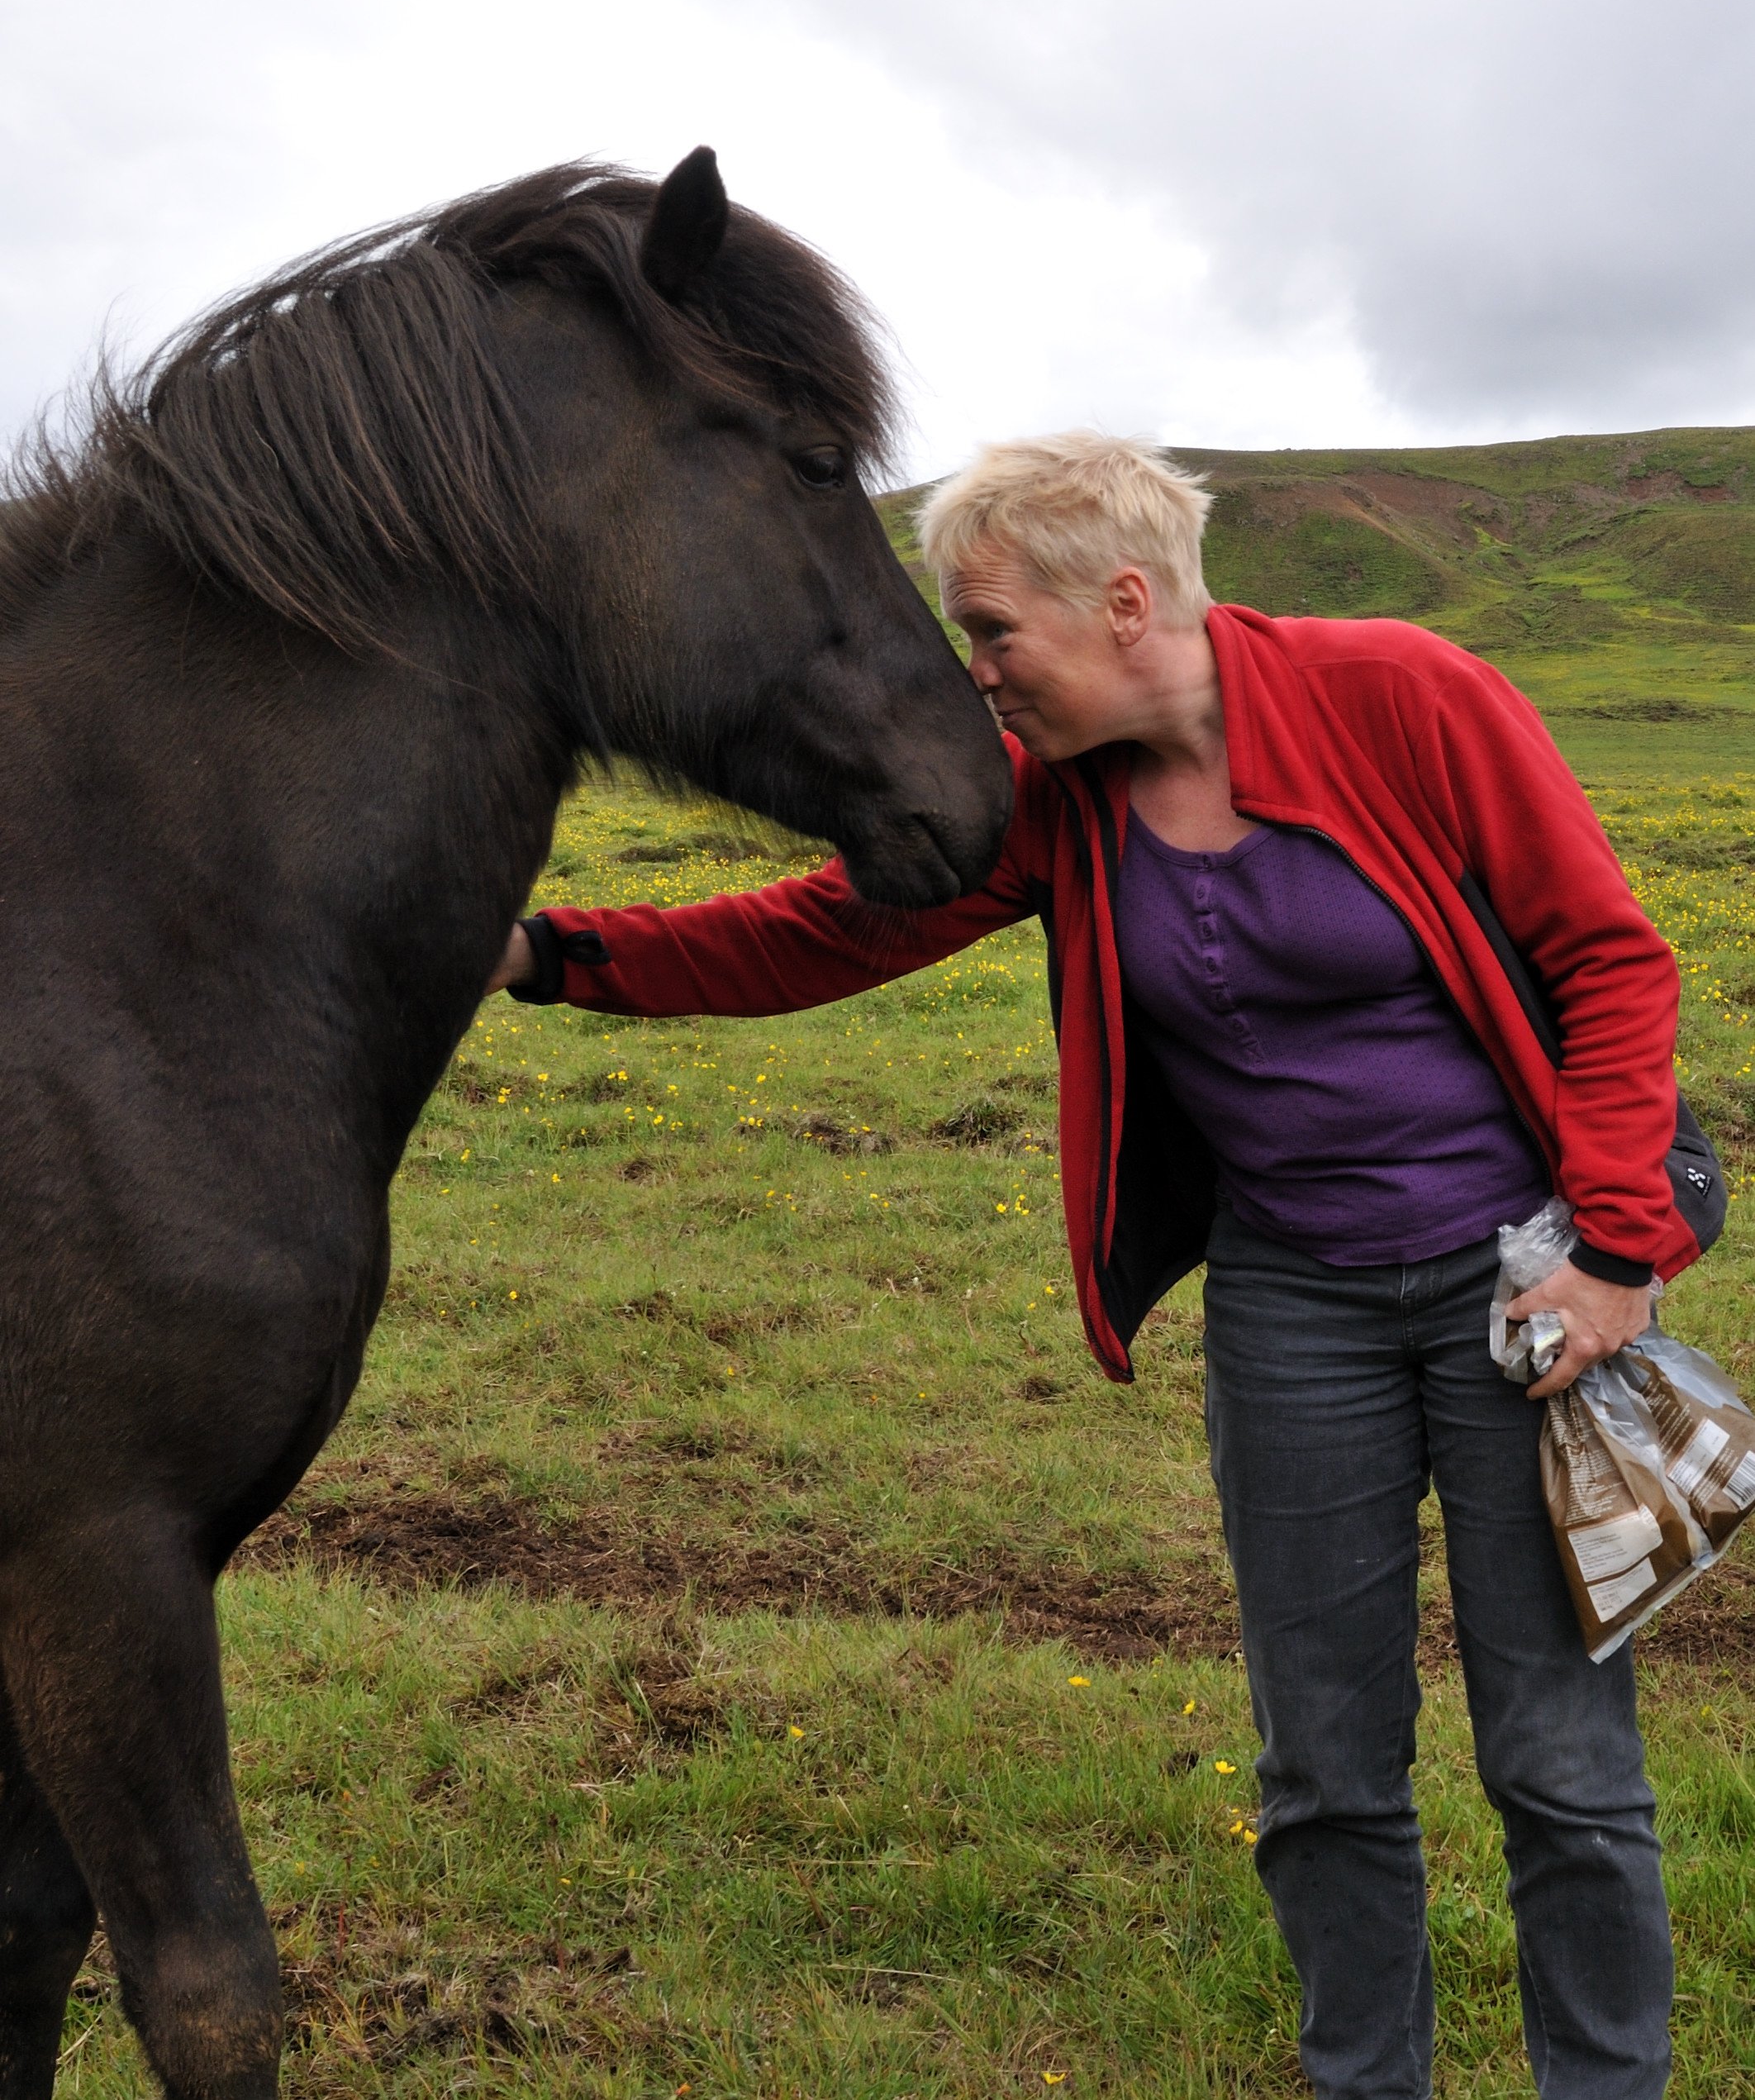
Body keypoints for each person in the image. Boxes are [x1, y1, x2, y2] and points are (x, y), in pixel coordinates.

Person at [491, 432, 1695, 2100]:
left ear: (1125, 602)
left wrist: (1621, 1252)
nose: (972, 673)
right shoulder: (1053, 799)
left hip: (1526, 1296)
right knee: (1322, 1767)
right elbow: (837, 925)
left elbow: (1609, 953)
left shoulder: (1406, 692)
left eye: (991, 632)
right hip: (1293, 1310)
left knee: (1562, 1764)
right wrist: (558, 954)